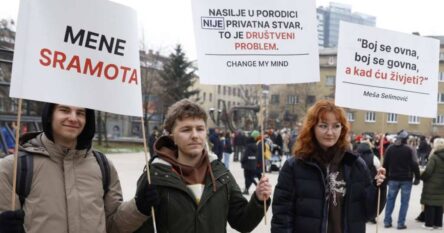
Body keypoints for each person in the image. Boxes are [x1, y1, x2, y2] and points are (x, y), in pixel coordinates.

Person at [123, 99, 272, 233]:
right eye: (186, 129)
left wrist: (258, 200)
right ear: (171, 137)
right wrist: (141, 208)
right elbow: (140, 227)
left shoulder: (220, 173)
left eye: (200, 129)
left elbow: (242, 223)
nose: (195, 135)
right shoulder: (154, 175)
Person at [0, 103, 125, 233]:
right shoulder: (14, 168)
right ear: (50, 115)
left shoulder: (103, 165)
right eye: (65, 110)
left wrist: (140, 205)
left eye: (80, 113)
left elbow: (114, 225)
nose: (73, 118)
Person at [271, 100, 386, 233]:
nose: (330, 132)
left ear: (342, 129)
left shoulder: (355, 164)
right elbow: (282, 216)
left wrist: (379, 188)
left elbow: (368, 212)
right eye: (323, 126)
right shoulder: (294, 166)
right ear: (312, 127)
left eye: (336, 126)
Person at [383, 129, 420, 229]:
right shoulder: (409, 149)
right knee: (404, 202)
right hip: (406, 179)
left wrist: (385, 177)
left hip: (393, 179)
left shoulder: (390, 148)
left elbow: (385, 164)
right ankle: (400, 223)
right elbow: (414, 164)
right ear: (405, 139)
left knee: (390, 200)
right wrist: (417, 177)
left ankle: (387, 221)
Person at [420, 138, 444, 230]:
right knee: (439, 203)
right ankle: (438, 224)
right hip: (442, 184)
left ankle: (429, 224)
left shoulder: (434, 157)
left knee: (430, 204)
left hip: (431, 184)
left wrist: (422, 176)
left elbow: (428, 171)